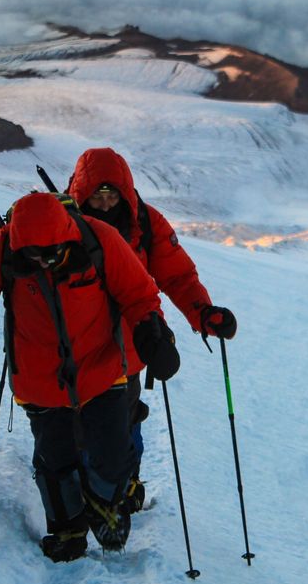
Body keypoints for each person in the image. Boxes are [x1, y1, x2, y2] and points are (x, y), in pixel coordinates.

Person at [0, 192, 180, 563]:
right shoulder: (4, 247)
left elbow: (140, 294)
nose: (43, 261)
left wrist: (153, 336)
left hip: (102, 370)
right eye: (33, 255)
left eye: (52, 253)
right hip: (39, 381)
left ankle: (104, 505)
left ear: (67, 234)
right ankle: (67, 529)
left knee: (113, 453)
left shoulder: (99, 238)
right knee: (55, 461)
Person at [66, 147, 237, 512]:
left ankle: (124, 485)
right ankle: (77, 487)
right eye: (98, 194)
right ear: (83, 192)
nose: (107, 202)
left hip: (129, 344)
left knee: (125, 417)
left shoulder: (145, 222)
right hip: (74, 342)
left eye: (113, 194)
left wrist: (203, 314)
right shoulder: (63, 219)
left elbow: (176, 275)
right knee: (74, 417)